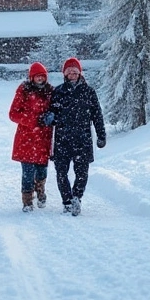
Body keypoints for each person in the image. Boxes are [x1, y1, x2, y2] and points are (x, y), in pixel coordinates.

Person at [40, 57, 106, 216]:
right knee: (61, 172)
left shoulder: (89, 92)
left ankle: (77, 197)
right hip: (62, 139)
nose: (72, 74)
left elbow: (97, 115)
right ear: (65, 74)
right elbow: (53, 113)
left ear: (79, 73)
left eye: (75, 71)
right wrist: (49, 118)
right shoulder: (58, 91)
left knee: (82, 173)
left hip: (82, 139)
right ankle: (67, 201)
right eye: (69, 71)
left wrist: (101, 135)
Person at [8, 62, 54, 212]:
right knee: (27, 172)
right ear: (31, 78)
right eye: (37, 76)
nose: (40, 79)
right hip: (26, 139)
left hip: (43, 139)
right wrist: (33, 120)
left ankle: (40, 191)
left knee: (42, 171)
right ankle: (27, 201)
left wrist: (50, 116)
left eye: (43, 76)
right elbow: (13, 114)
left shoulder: (50, 92)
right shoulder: (24, 91)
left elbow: (56, 109)